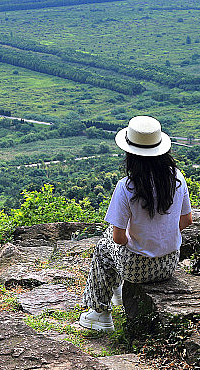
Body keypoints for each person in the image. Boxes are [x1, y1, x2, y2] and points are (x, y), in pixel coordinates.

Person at [78, 115, 193, 331]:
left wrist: (141, 239)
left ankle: (99, 314)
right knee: (112, 240)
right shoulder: (177, 178)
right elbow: (187, 220)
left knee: (104, 244)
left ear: (130, 154)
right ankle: (119, 294)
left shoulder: (127, 186)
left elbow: (118, 238)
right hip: (169, 264)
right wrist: (161, 235)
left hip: (136, 270)